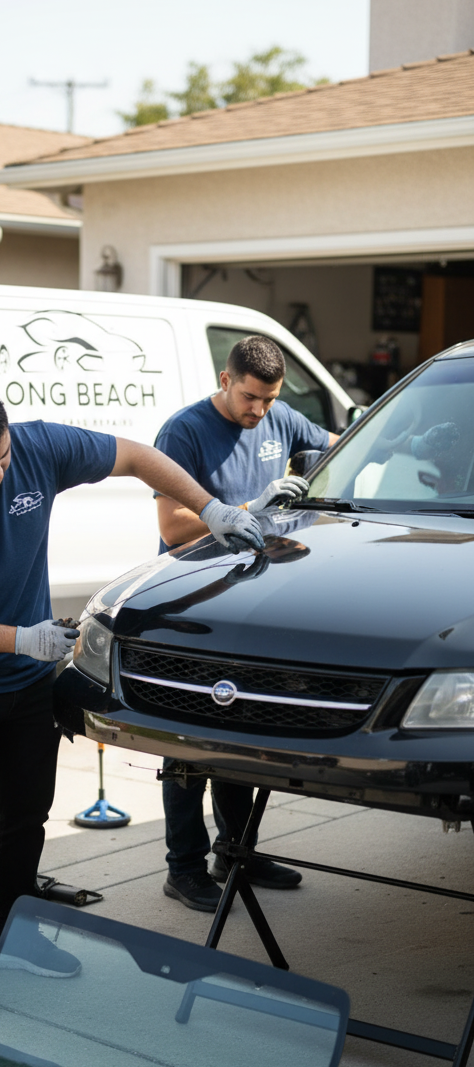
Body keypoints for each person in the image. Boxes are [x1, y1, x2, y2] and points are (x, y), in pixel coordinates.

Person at [0, 377, 265, 1010]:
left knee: (27, 811)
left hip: (29, 682)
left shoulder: (37, 449)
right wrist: (22, 640)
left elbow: (139, 457)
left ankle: (14, 928)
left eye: (2, 457)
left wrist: (214, 508)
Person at [154, 335, 339, 912]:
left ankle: (237, 853)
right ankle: (183, 868)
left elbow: (339, 448)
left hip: (255, 602)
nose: (259, 411)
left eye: (269, 399)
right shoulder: (182, 433)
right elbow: (173, 528)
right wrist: (250, 509)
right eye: (251, 397)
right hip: (195, 604)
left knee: (241, 737)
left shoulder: (280, 416)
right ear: (225, 379)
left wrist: (393, 445)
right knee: (187, 741)